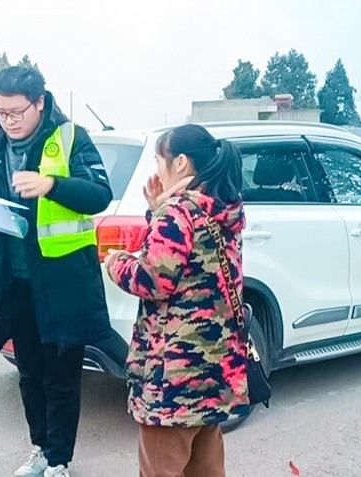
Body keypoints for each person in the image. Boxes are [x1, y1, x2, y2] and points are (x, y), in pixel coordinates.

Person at [0, 65, 113, 477]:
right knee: (29, 373)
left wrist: (51, 184)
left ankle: (59, 459)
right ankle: (40, 449)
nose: (8, 121)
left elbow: (99, 194)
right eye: (0, 112)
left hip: (60, 284)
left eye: (16, 112)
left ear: (40, 103)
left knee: (61, 377)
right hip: (13, 281)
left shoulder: (70, 139)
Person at [104, 124, 251, 477]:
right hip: (214, 371)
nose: (157, 172)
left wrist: (115, 262)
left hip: (175, 378)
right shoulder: (220, 210)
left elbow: (154, 279)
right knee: (206, 470)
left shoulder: (179, 212)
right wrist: (158, 210)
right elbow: (191, 269)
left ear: (181, 163)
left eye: (159, 161)